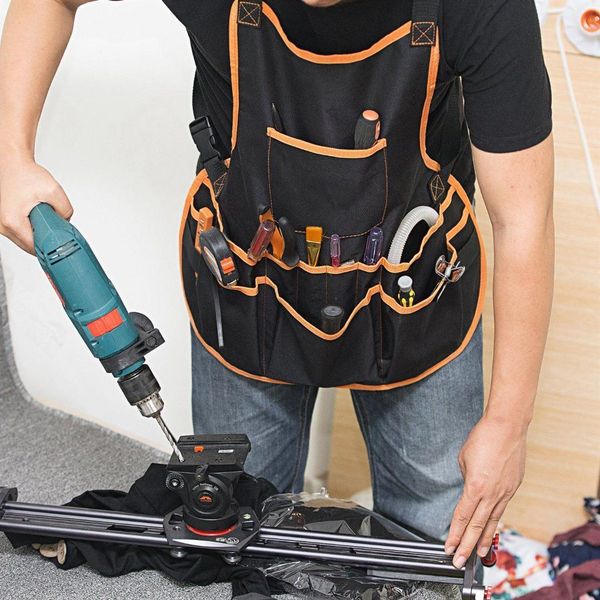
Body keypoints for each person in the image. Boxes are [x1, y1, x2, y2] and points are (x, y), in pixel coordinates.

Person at [0, 0, 554, 571]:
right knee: (225, 528)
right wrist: (9, 155)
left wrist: (508, 424)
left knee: (438, 547)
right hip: (247, 294)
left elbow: (523, 220)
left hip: (416, 299)